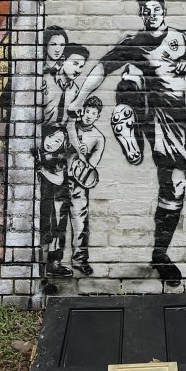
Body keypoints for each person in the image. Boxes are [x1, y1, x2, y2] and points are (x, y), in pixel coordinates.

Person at [69, 0, 186, 284]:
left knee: (176, 187)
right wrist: (79, 99)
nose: (151, 14)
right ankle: (129, 124)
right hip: (145, 109)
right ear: (140, 13)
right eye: (145, 10)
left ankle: (160, 254)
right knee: (130, 77)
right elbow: (102, 68)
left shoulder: (183, 39)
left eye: (155, 9)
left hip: (173, 120)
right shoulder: (134, 42)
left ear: (164, 10)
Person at [65, 97, 105, 276]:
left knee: (80, 222)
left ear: (98, 116)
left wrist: (83, 159)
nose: (89, 116)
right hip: (59, 177)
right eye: (87, 111)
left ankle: (79, 259)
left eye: (93, 113)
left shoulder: (98, 138)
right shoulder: (69, 126)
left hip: (79, 183)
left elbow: (92, 166)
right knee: (55, 221)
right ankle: (53, 260)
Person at [35, 123, 71, 278]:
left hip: (51, 203)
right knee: (46, 233)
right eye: (50, 137)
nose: (51, 142)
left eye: (57, 141)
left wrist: (42, 170)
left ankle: (51, 265)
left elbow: (58, 179)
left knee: (52, 233)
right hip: (42, 202)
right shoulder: (38, 154)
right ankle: (45, 266)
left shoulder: (58, 161)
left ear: (61, 146)